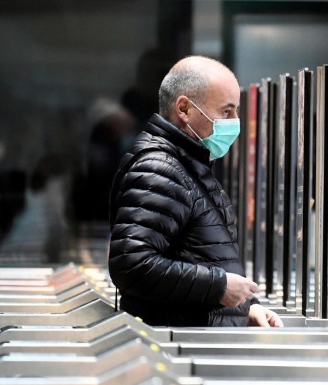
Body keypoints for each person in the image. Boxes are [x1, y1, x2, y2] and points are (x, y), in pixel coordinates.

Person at [108, 56, 282, 328]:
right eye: (226, 112)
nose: (235, 122)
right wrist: (219, 286)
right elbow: (132, 265)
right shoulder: (160, 168)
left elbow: (201, 255)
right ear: (184, 109)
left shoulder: (190, 165)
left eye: (236, 111)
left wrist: (246, 305)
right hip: (177, 346)